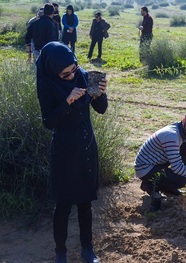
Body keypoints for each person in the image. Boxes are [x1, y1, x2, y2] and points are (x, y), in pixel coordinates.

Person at [36, 41, 108, 263]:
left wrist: (101, 93)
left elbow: (101, 109)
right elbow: (49, 121)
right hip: (64, 151)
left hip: (86, 147)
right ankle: (61, 253)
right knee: (63, 205)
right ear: (54, 72)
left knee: (85, 203)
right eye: (65, 74)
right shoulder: (47, 84)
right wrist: (68, 101)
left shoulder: (83, 75)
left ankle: (88, 250)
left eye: (74, 69)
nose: (71, 76)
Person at [134, 111, 186, 212]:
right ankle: (150, 186)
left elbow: (183, 138)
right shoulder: (171, 136)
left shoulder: (177, 128)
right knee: (181, 179)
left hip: (154, 163)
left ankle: (167, 185)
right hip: (145, 169)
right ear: (184, 120)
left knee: (185, 147)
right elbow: (178, 168)